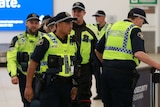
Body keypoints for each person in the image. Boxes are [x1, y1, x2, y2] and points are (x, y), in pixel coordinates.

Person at [95, 8, 160, 107]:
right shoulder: (134, 29)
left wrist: (106, 63)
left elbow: (97, 50)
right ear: (138, 18)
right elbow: (138, 53)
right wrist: (158, 65)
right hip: (122, 76)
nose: (142, 25)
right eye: (143, 21)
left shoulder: (112, 27)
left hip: (106, 73)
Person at [24, 12, 78, 107]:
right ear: (58, 24)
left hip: (67, 85)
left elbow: (76, 65)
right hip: (50, 86)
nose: (70, 26)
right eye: (67, 23)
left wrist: (75, 86)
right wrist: (28, 86)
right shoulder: (46, 41)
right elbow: (33, 64)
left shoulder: (73, 42)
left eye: (71, 23)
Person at [7, 13, 45, 107]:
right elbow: (11, 58)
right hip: (24, 76)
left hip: (40, 76)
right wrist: (13, 75)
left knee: (38, 103)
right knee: (27, 102)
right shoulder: (17, 39)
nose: (34, 25)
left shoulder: (45, 38)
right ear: (26, 23)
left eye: (36, 23)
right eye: (31, 22)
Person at [71, 2, 98, 107]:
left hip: (85, 70)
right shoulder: (67, 30)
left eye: (79, 11)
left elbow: (97, 50)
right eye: (75, 11)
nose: (76, 13)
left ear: (84, 13)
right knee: (70, 97)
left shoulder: (90, 31)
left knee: (84, 97)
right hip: (69, 69)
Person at [92, 10, 111, 100]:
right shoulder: (93, 27)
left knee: (106, 75)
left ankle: (106, 92)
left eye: (98, 16)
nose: (96, 18)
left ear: (103, 17)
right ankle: (99, 93)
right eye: (95, 16)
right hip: (95, 54)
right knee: (97, 75)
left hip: (105, 53)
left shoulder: (109, 27)